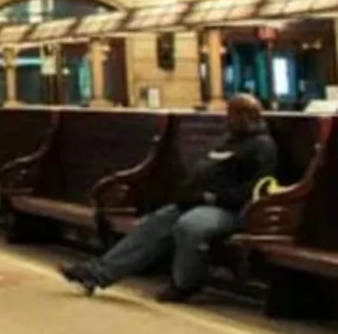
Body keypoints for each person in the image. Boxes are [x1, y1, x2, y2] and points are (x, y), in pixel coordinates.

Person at [59, 94, 277, 302]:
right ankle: (97, 273)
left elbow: (256, 187)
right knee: (152, 224)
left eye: (232, 114)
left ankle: (184, 284)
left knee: (190, 226)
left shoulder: (262, 146)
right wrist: (188, 194)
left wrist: (212, 198)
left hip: (233, 210)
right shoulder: (227, 141)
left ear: (247, 116)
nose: (227, 119)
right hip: (199, 203)